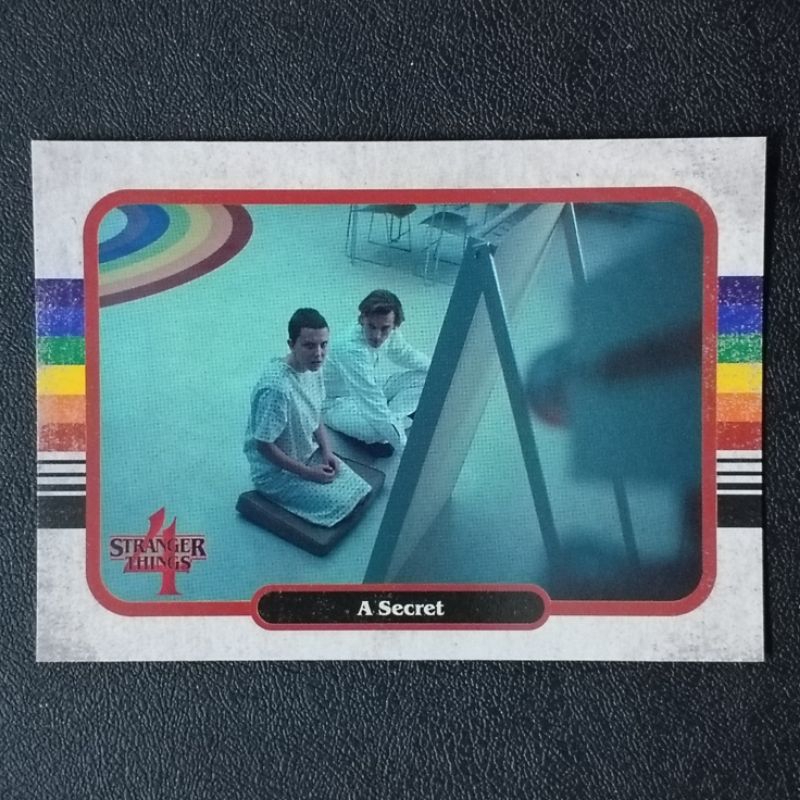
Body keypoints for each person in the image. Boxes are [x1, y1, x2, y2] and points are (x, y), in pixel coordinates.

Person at [244, 308, 371, 527]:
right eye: (309, 346)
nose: (319, 354)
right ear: (291, 344)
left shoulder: (314, 368)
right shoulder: (277, 389)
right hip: (276, 472)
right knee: (343, 504)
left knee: (361, 491)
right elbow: (263, 445)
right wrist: (308, 474)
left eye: (323, 344)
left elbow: (315, 413)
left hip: (307, 452)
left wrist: (327, 452)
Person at [324, 290, 430, 457]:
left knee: (426, 378)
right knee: (377, 432)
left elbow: (405, 354)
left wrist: (438, 371)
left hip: (369, 385)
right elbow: (372, 403)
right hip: (335, 403)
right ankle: (395, 424)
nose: (377, 336)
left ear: (394, 326)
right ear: (362, 320)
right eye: (371, 327)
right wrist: (408, 453)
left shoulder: (390, 331)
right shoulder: (351, 350)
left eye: (385, 329)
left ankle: (395, 422)